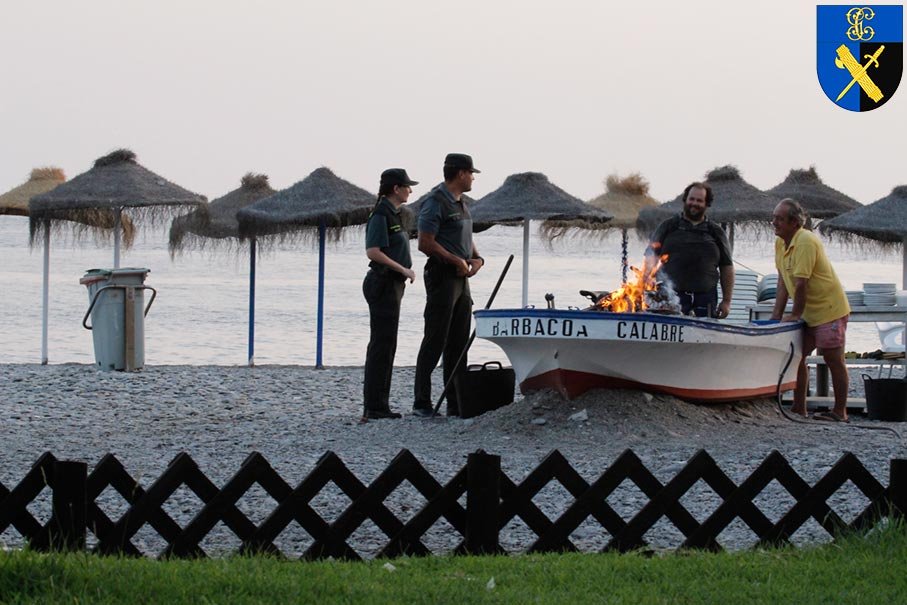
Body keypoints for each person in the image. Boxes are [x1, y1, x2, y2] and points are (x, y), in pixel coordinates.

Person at [412, 153, 485, 417]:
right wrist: (454, 260)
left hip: (462, 279)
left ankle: (455, 402)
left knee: (459, 342)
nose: (474, 178)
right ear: (460, 174)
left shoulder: (462, 204)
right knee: (435, 339)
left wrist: (477, 259)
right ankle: (421, 402)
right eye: (471, 173)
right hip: (442, 276)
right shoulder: (435, 202)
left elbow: (466, 238)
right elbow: (425, 243)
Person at [770, 198, 851, 421]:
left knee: (834, 359)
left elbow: (800, 283)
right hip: (808, 311)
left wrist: (794, 315)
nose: (774, 222)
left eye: (779, 219)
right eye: (773, 218)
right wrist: (776, 316)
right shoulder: (780, 243)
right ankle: (799, 407)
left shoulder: (805, 241)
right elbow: (783, 280)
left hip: (828, 309)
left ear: (795, 222)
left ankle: (840, 411)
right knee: (798, 356)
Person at [361, 168, 418, 420]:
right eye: (407, 186)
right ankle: (374, 406)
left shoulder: (396, 214)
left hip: (394, 283)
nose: (410, 190)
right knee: (381, 345)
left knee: (388, 344)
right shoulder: (381, 214)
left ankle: (380, 404)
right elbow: (373, 251)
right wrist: (402, 268)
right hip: (383, 282)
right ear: (396, 188)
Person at [647, 182, 735, 318]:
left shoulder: (715, 231)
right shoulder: (668, 226)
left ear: (707, 204)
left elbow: (727, 266)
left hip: (706, 299)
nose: (694, 203)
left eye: (699, 200)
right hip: (670, 297)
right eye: (691, 199)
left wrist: (727, 301)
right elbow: (650, 258)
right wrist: (645, 288)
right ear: (685, 200)